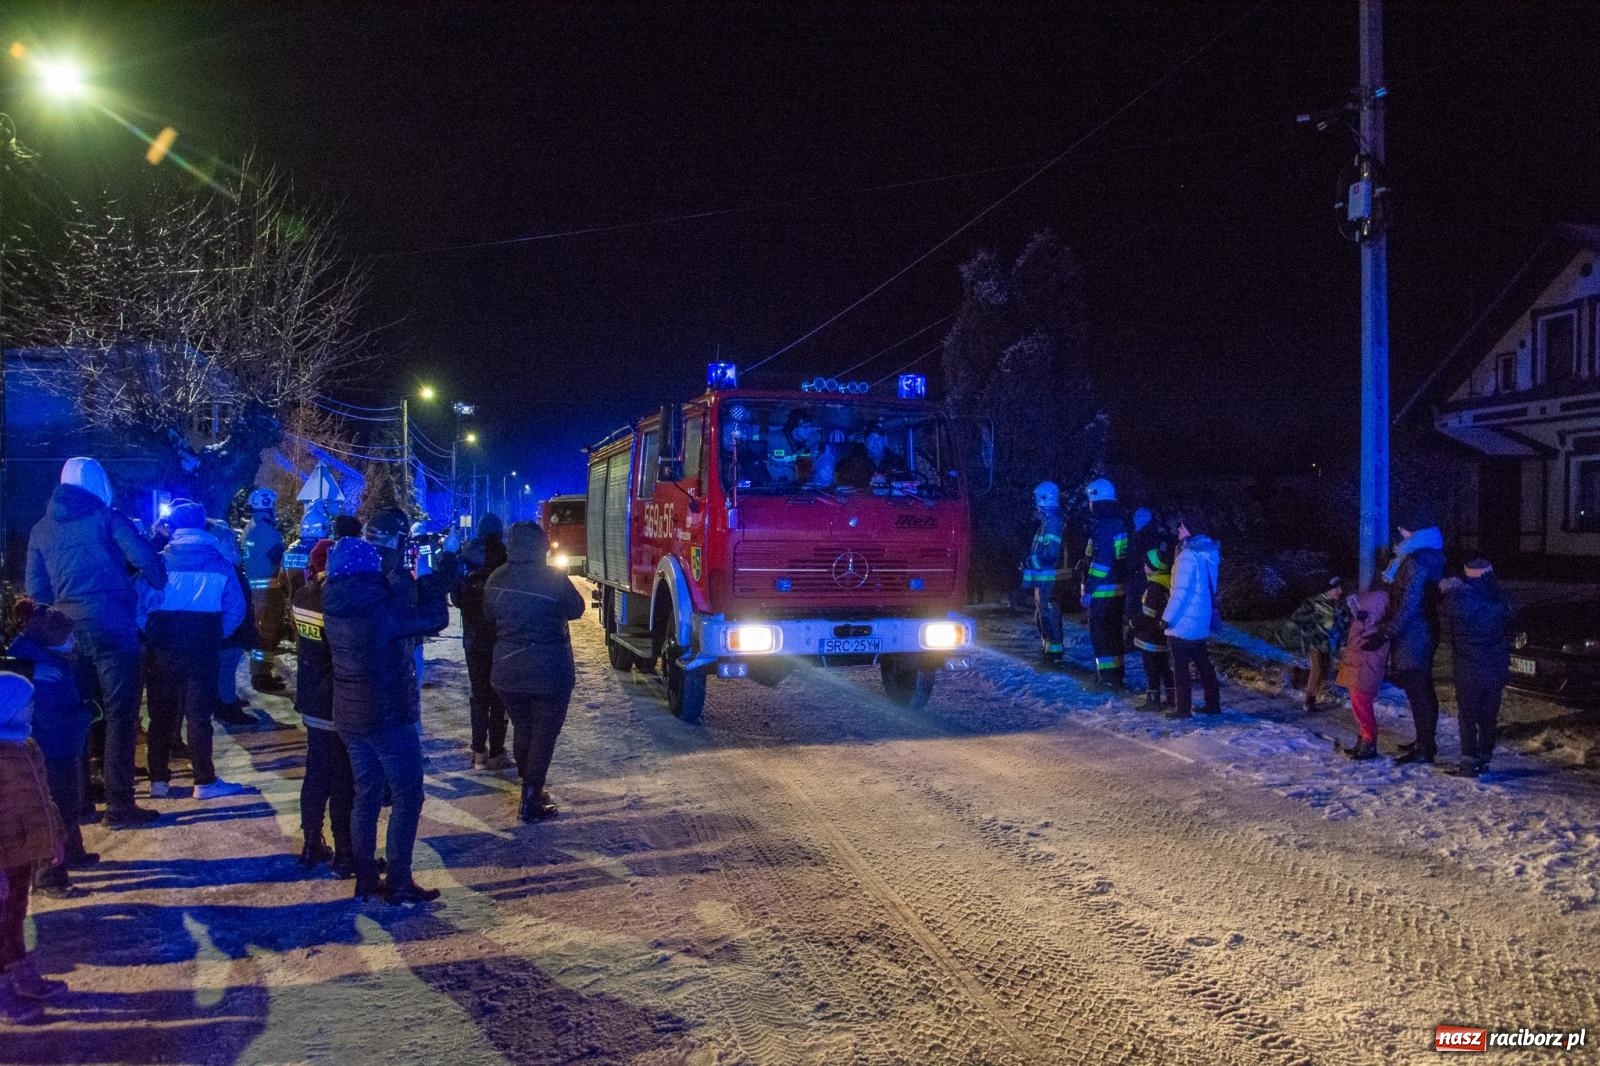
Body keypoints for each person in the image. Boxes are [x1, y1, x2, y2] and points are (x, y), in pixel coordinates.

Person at [26, 457, 167, 829]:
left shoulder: (41, 529)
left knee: (79, 716)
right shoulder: (108, 518)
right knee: (121, 717)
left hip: (68, 636)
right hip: (114, 627)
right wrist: (153, 576)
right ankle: (119, 805)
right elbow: (146, 559)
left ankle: (80, 803)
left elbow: (36, 592)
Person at [323, 537, 454, 904]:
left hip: (349, 715)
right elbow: (435, 618)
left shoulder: (333, 600)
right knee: (408, 795)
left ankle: (366, 878)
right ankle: (398, 880)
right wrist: (426, 579)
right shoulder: (379, 608)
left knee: (366, 795)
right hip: (387, 715)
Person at [139, 501, 248, 802]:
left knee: (161, 715)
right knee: (199, 717)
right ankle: (204, 780)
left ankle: (158, 781)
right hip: (203, 648)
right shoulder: (221, 563)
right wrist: (215, 634)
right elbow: (236, 608)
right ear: (202, 525)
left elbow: (139, 605)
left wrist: (153, 633)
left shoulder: (159, 563)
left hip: (163, 647)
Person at [485, 522, 586, 822]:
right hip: (549, 672)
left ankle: (530, 788)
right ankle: (530, 799)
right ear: (541, 546)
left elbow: (489, 615)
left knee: (523, 728)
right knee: (543, 735)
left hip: (507, 671)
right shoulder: (553, 578)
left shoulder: (497, 578)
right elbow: (577, 609)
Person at [7, 605, 97, 896]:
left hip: (62, 746)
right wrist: (85, 716)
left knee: (70, 802)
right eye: (69, 638)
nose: (74, 643)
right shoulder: (43, 670)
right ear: (51, 637)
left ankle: (71, 852)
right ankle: (49, 875)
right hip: (53, 748)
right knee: (57, 808)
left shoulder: (42, 659)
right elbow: (50, 716)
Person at [0, 673, 70, 1023]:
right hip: (3, 854)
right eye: (24, 704)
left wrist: (53, 837)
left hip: (21, 852)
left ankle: (22, 973)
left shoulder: (26, 745)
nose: (31, 709)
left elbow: (44, 799)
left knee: (15, 915)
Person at [291, 537, 354, 873]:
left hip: (311, 698)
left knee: (315, 774)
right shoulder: (336, 600)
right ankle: (345, 852)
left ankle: (311, 843)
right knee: (342, 779)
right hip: (335, 700)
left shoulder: (302, 596)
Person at [1367, 506, 1446, 765]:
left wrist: (1385, 633)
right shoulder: (1429, 554)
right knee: (1422, 689)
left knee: (1418, 690)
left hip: (1415, 634)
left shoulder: (1417, 561)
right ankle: (1425, 740)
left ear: (1416, 532)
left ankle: (1425, 748)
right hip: (1422, 630)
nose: (1401, 534)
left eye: (1404, 530)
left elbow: (1409, 605)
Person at [1440, 559, 1513, 777]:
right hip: (1495, 667)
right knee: (1489, 715)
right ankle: (1484, 757)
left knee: (1468, 716)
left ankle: (1468, 761)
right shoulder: (1499, 600)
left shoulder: (1456, 599)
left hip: (1467, 668)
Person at [455, 513, 509, 770]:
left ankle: (478, 753)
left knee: (479, 696)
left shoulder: (467, 557)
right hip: (500, 639)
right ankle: (497, 753)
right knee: (498, 697)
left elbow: (456, 597)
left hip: (474, 640)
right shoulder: (505, 558)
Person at [1162, 514, 1222, 719]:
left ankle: (1183, 708)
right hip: (1201, 618)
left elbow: (1180, 592)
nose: (1178, 530)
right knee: (1203, 663)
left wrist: (1167, 618)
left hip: (1183, 621)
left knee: (1180, 667)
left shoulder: (1187, 556)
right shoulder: (1209, 553)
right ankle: (1213, 704)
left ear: (1191, 530)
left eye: (1182, 527)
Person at [207, 518, 257, 727]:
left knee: (226, 670)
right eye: (229, 541)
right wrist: (226, 631)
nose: (234, 544)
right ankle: (226, 706)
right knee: (225, 671)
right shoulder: (225, 566)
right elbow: (235, 604)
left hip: (230, 629)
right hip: (229, 631)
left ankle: (225, 700)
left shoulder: (225, 564)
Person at [1080, 478, 1129, 689]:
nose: (1089, 506)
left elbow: (1101, 563)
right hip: (1116, 590)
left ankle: (1106, 677)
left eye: (1091, 502)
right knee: (1113, 635)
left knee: (1101, 636)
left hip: (1102, 592)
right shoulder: (1118, 524)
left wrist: (1089, 590)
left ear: (1097, 502)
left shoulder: (1104, 527)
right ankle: (1115, 675)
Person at [1335, 583, 1390, 760]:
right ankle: (1364, 741)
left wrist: (1358, 623)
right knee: (1359, 710)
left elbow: (1355, 643)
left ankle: (1368, 743)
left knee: (1363, 710)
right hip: (1359, 672)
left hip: (1364, 673)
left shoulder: (1375, 630)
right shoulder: (1370, 626)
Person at [243, 488, 288, 693]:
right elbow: (277, 557)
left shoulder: (251, 526)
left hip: (257, 589)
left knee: (262, 633)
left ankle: (261, 673)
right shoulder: (266, 530)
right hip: (268, 590)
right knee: (267, 634)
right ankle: (261, 675)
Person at [1020, 482, 1067, 665]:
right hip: (1043, 580)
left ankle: (1054, 653)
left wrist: (1028, 562)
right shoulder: (1048, 522)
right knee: (1043, 613)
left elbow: (1050, 555)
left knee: (1048, 613)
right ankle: (1050, 649)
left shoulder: (1052, 523)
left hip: (1048, 580)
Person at [1291, 576, 1347, 713]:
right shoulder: (1312, 602)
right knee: (1317, 669)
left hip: (1330, 643)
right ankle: (1309, 699)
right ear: (1327, 590)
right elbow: (1296, 618)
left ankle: (1307, 688)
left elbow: (1342, 620)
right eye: (1336, 588)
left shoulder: (1339, 603)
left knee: (1324, 670)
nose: (1339, 591)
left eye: (1340, 588)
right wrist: (1313, 621)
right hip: (1314, 641)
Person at [1130, 544, 1175, 711]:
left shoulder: (1154, 587)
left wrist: (1134, 622)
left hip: (1150, 637)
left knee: (1151, 669)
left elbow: (1148, 614)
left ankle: (1153, 700)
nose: (1144, 566)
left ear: (1154, 568)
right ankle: (1172, 698)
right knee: (1165, 668)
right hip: (1162, 635)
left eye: (1146, 564)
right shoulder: (1168, 583)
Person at [836, 423, 907, 488]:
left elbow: (907, 481)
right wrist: (868, 482)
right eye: (871, 438)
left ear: (885, 441)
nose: (875, 443)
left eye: (879, 438)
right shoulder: (855, 461)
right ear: (865, 442)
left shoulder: (897, 460)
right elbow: (842, 481)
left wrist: (886, 480)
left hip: (891, 498)